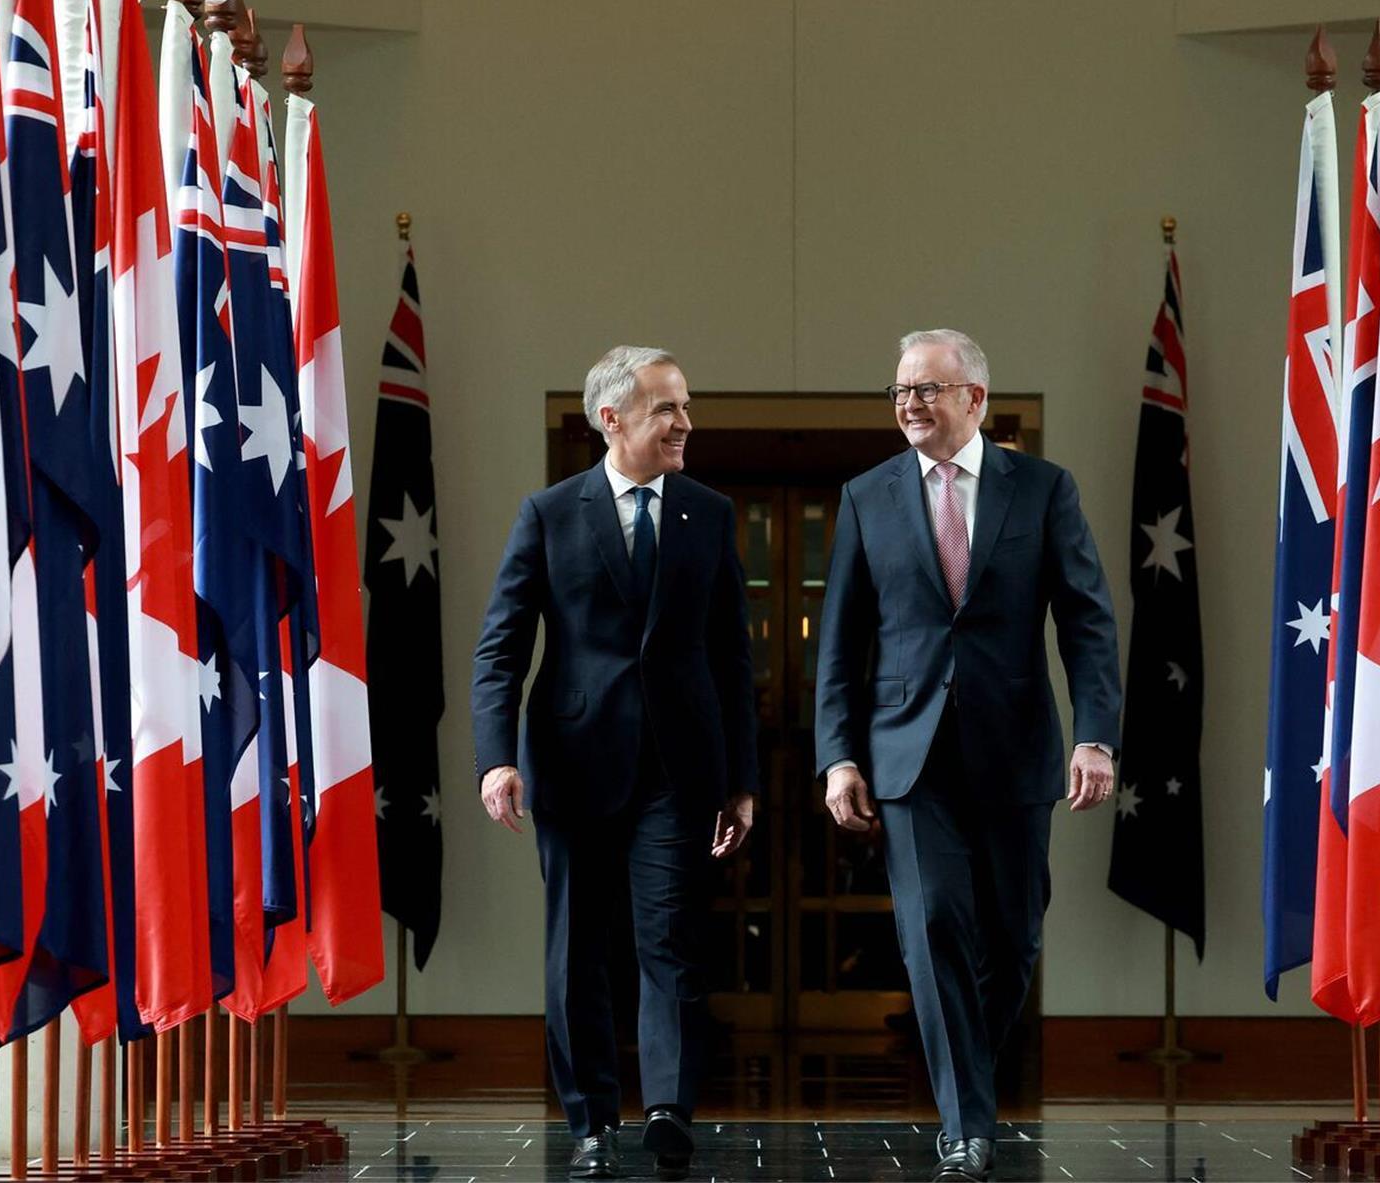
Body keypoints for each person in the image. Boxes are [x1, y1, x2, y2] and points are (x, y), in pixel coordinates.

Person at [815, 329, 1122, 1183]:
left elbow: (1089, 622)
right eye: (901, 390)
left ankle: (968, 1092)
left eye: (928, 389)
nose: (910, 403)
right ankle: (967, 1127)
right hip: (908, 757)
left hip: (1017, 753)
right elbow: (839, 644)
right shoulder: (867, 495)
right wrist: (838, 756)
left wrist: (1096, 735)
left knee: (1016, 932)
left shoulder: (1044, 490)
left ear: (976, 399)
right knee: (933, 926)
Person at [472, 346, 756, 1181]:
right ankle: (593, 1119)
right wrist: (496, 759)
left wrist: (740, 778)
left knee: (667, 938)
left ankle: (666, 1107)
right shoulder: (550, 513)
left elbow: (732, 655)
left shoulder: (710, 512)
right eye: (667, 408)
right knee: (578, 950)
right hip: (570, 762)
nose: (684, 423)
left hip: (679, 770)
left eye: (686, 406)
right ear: (613, 418)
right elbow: (500, 650)